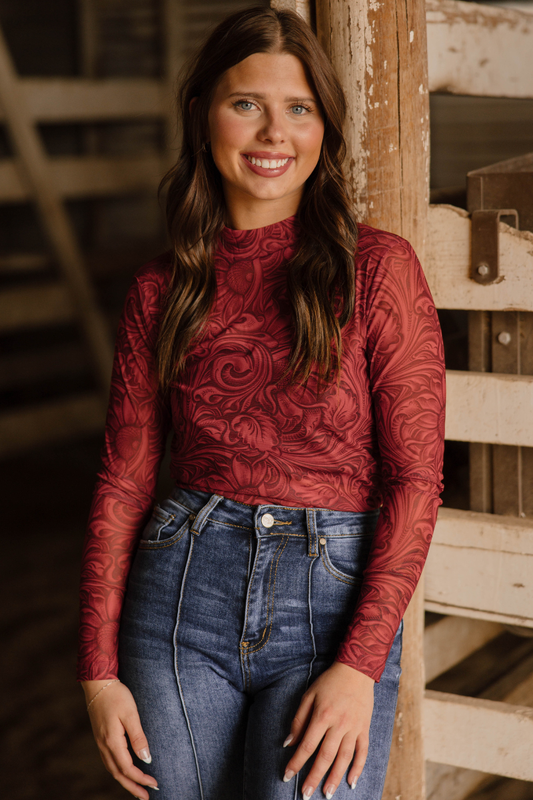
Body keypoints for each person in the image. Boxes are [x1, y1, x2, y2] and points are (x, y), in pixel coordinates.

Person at [78, 6, 445, 800]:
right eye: (246, 103)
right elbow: (123, 483)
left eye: (298, 108)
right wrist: (97, 674)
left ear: (324, 127)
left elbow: (414, 481)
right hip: (178, 604)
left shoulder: (378, 271)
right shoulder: (161, 289)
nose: (273, 133)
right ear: (202, 114)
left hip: (330, 616)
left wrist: (358, 665)